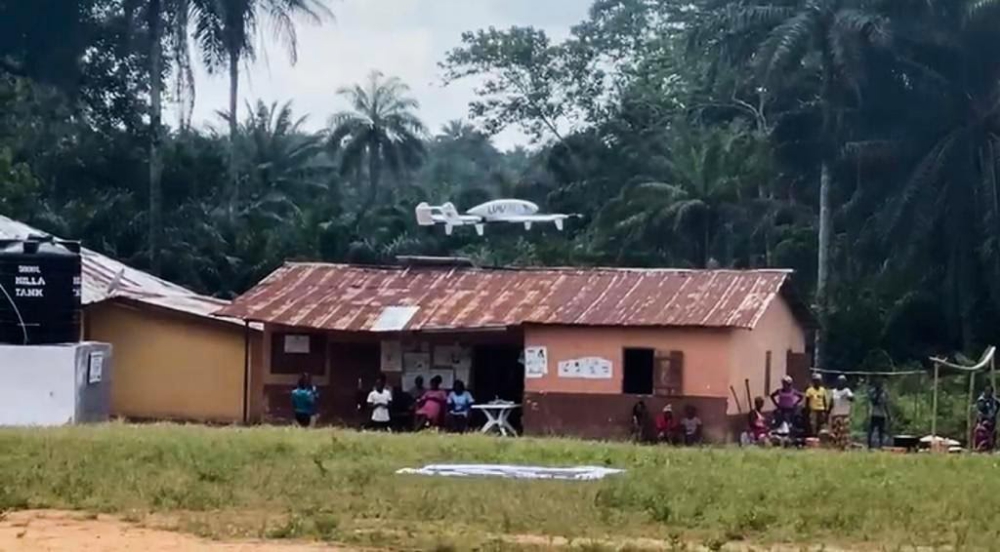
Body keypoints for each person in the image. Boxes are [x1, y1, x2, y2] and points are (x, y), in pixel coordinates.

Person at [829, 375, 854, 450]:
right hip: (836, 415)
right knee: (836, 432)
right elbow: (831, 403)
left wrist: (848, 397)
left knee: (844, 433)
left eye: (843, 382)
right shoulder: (834, 391)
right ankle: (836, 447)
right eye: (840, 381)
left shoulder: (846, 391)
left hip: (844, 415)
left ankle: (844, 447)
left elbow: (852, 398)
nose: (841, 383)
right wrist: (828, 412)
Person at [974, 385, 1000, 451]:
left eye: (990, 391)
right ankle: (980, 447)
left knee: (992, 433)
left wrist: (994, 413)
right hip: (982, 419)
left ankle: (991, 447)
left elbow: (997, 405)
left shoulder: (994, 400)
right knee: (981, 433)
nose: (988, 393)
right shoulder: (981, 399)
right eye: (987, 391)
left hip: (991, 419)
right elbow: (981, 408)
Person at [867, 378, 890, 449]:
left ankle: (880, 445)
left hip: (881, 414)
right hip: (874, 414)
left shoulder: (884, 393)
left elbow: (885, 404)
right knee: (871, 430)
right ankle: (869, 445)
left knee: (881, 431)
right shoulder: (873, 392)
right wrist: (878, 395)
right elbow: (874, 402)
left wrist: (888, 414)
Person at [804, 373, 829, 437]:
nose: (818, 382)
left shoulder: (822, 390)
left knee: (821, 423)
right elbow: (807, 401)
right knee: (813, 424)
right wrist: (807, 410)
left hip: (821, 409)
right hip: (813, 409)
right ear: (813, 381)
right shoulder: (809, 390)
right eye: (816, 380)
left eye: (819, 380)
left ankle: (820, 436)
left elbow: (824, 400)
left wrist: (826, 410)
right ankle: (813, 435)